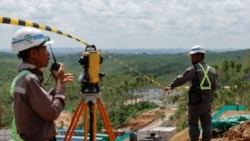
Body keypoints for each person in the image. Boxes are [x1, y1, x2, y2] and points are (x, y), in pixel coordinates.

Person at [10, 27, 74, 141]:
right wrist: (60, 84)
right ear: (33, 53)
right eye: (44, 49)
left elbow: (40, 105)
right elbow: (52, 112)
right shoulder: (29, 79)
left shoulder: (23, 77)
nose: (48, 54)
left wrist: (58, 86)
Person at [165, 45, 217, 141]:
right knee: (206, 122)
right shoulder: (212, 70)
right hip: (207, 102)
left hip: (195, 102)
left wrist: (170, 86)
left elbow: (181, 78)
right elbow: (214, 87)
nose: (192, 58)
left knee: (193, 122)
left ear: (200, 56)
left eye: (193, 56)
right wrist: (207, 96)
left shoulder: (194, 69)